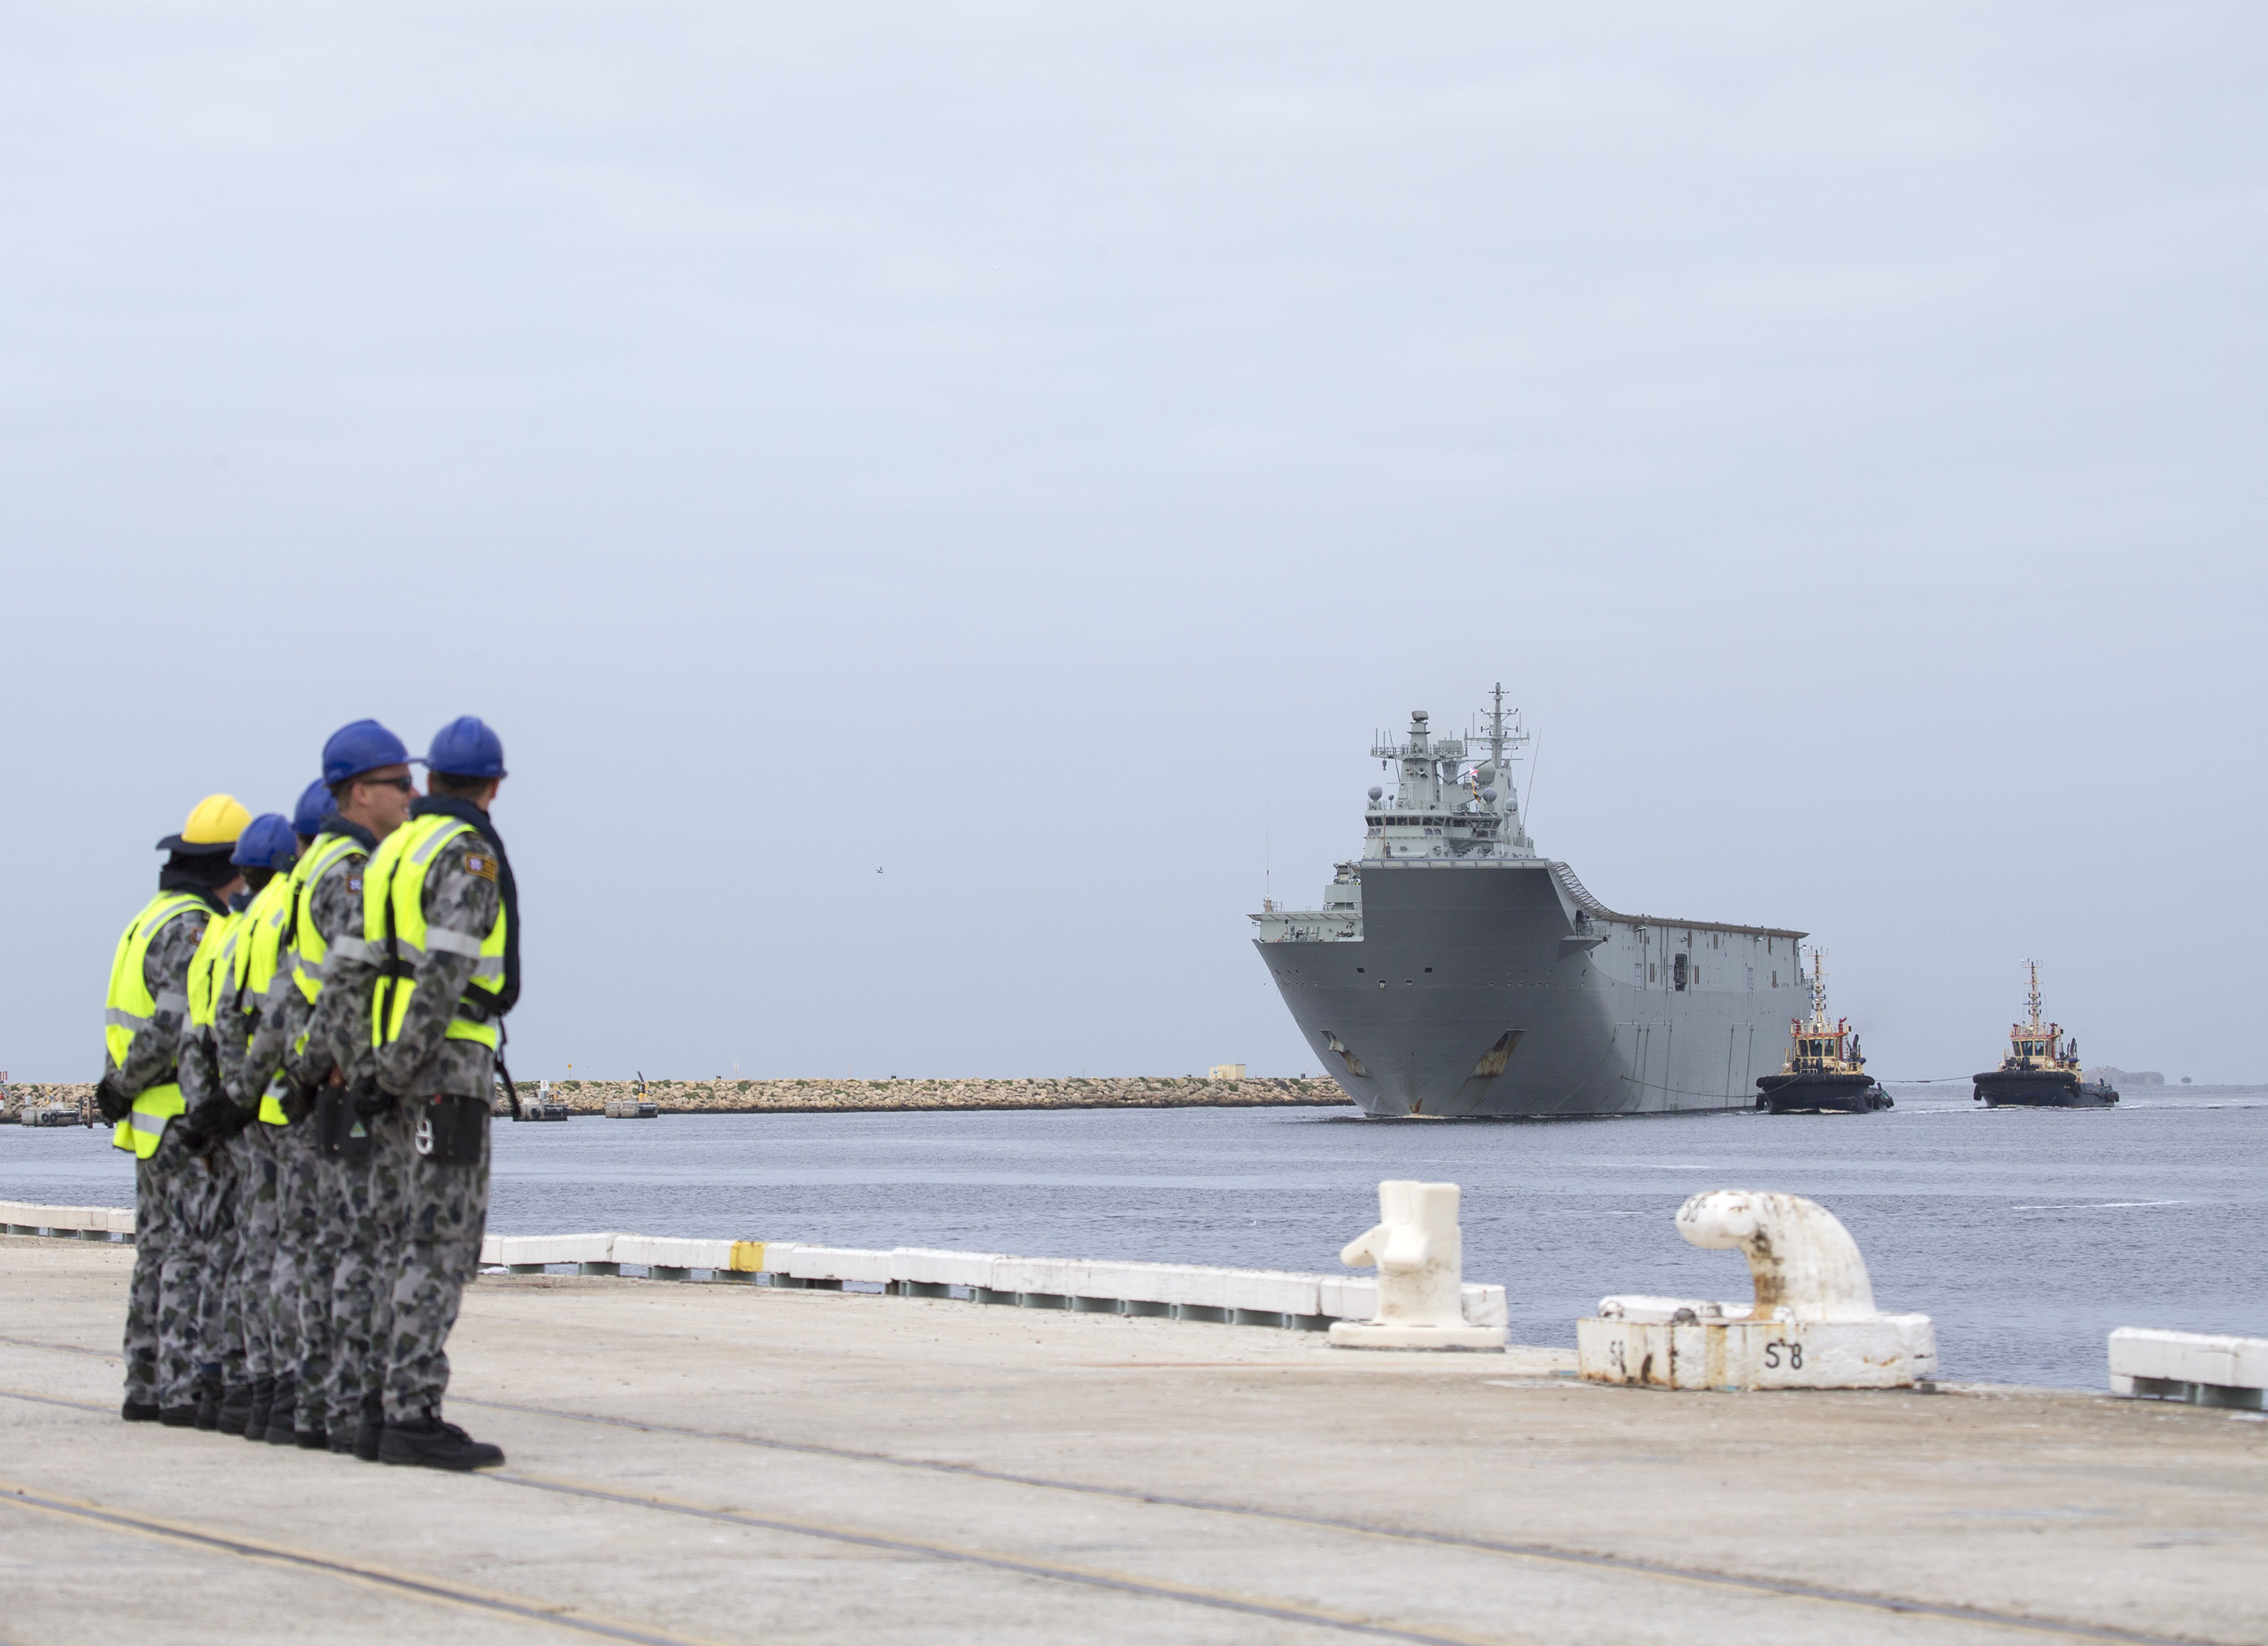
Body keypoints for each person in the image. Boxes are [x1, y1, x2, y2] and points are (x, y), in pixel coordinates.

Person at [357, 716, 518, 1470]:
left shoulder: (393, 852)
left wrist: (372, 1067)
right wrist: (403, 1066)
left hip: (391, 1061)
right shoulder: (466, 853)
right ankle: (412, 1410)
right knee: (440, 1241)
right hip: (443, 1067)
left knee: (396, 1233)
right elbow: (446, 973)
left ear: (430, 780)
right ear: (491, 785)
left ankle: (381, 1403)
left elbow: (351, 971)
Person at [268, 722, 416, 1451]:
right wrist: (347, 1070)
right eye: (398, 783)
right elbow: (344, 985)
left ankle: (321, 1406)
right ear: (360, 792)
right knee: (362, 1243)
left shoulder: (314, 867)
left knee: (326, 1245)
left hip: (320, 1079)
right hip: (344, 1082)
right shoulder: (349, 871)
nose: (411, 795)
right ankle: (351, 1406)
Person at [98, 793, 249, 1424]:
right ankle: (185, 1387)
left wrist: (116, 1086)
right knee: (194, 1252)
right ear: (230, 869)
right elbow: (170, 1027)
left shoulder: (146, 919)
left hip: (148, 1123)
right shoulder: (194, 929)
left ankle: (146, 1381)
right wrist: (126, 1084)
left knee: (158, 1252)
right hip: (182, 1119)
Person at [193, 813, 299, 1437]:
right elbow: (292, 1010)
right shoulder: (292, 908)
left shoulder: (231, 930)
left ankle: (244, 1388)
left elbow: (222, 1023)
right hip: (290, 1103)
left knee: (246, 1249)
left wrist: (226, 1102)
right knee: (300, 1249)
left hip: (243, 1108)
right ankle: (289, 1393)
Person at [239, 778, 333, 1444]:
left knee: (267, 1249)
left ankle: (269, 1390)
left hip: (262, 1103)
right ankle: (311, 1392)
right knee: (319, 1250)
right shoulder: (305, 901)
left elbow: (241, 1015)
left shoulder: (250, 919)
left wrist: (236, 1094)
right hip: (309, 1098)